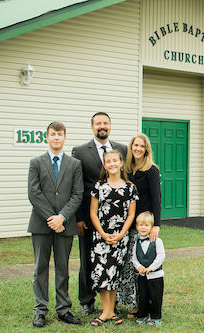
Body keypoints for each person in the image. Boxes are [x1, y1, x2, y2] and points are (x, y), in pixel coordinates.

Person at [27, 121, 83, 328]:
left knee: (63, 268)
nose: (57, 137)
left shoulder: (74, 165)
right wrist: (52, 218)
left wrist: (62, 217)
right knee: (40, 268)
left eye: (60, 134)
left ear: (65, 137)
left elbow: (78, 194)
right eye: (53, 134)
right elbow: (34, 193)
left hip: (65, 225)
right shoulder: (36, 162)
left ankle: (63, 309)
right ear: (47, 137)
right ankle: (40, 310)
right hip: (41, 225)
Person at [71, 112, 127, 315]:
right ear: (92, 127)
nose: (102, 126)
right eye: (98, 123)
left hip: (117, 216)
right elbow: (76, 186)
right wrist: (78, 217)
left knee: (115, 258)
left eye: (105, 123)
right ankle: (87, 300)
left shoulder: (122, 149)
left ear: (110, 126)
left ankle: (113, 302)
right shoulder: (79, 151)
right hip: (89, 216)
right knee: (88, 259)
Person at [88, 150, 138, 326]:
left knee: (114, 273)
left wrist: (122, 234)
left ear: (121, 163)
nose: (112, 164)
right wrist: (102, 234)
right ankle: (106, 312)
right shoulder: (99, 187)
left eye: (114, 160)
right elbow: (93, 213)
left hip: (120, 237)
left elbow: (131, 215)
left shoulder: (129, 188)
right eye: (108, 161)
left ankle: (111, 311)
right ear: (105, 165)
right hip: (101, 237)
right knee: (102, 273)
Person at [118, 133, 161, 317]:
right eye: (135, 145)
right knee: (129, 265)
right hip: (127, 224)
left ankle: (141, 305)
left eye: (141, 146)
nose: (138, 149)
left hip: (143, 226)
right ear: (131, 147)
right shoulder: (126, 169)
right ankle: (131, 301)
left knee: (142, 265)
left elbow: (156, 199)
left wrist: (156, 225)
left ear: (146, 149)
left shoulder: (151, 170)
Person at [132, 211, 165, 326]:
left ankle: (156, 317)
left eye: (146, 225)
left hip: (156, 275)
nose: (143, 228)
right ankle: (143, 315)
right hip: (142, 275)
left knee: (155, 297)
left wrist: (151, 267)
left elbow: (161, 256)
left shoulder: (157, 241)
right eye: (140, 225)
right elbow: (134, 258)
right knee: (143, 296)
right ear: (137, 227)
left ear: (152, 227)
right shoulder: (136, 242)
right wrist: (139, 267)